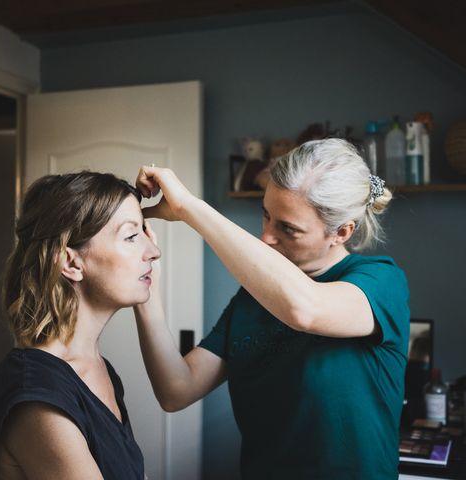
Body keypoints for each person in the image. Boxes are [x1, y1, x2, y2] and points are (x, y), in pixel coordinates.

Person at [134, 138, 410, 479]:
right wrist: (144, 289)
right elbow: (176, 391)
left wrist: (190, 209)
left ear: (342, 232)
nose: (266, 236)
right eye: (266, 215)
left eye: (288, 228)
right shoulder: (253, 298)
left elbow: (305, 310)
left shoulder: (381, 282)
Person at [0, 172, 159, 479]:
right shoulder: (39, 402)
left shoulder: (95, 367)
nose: (153, 251)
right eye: (132, 236)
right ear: (71, 263)